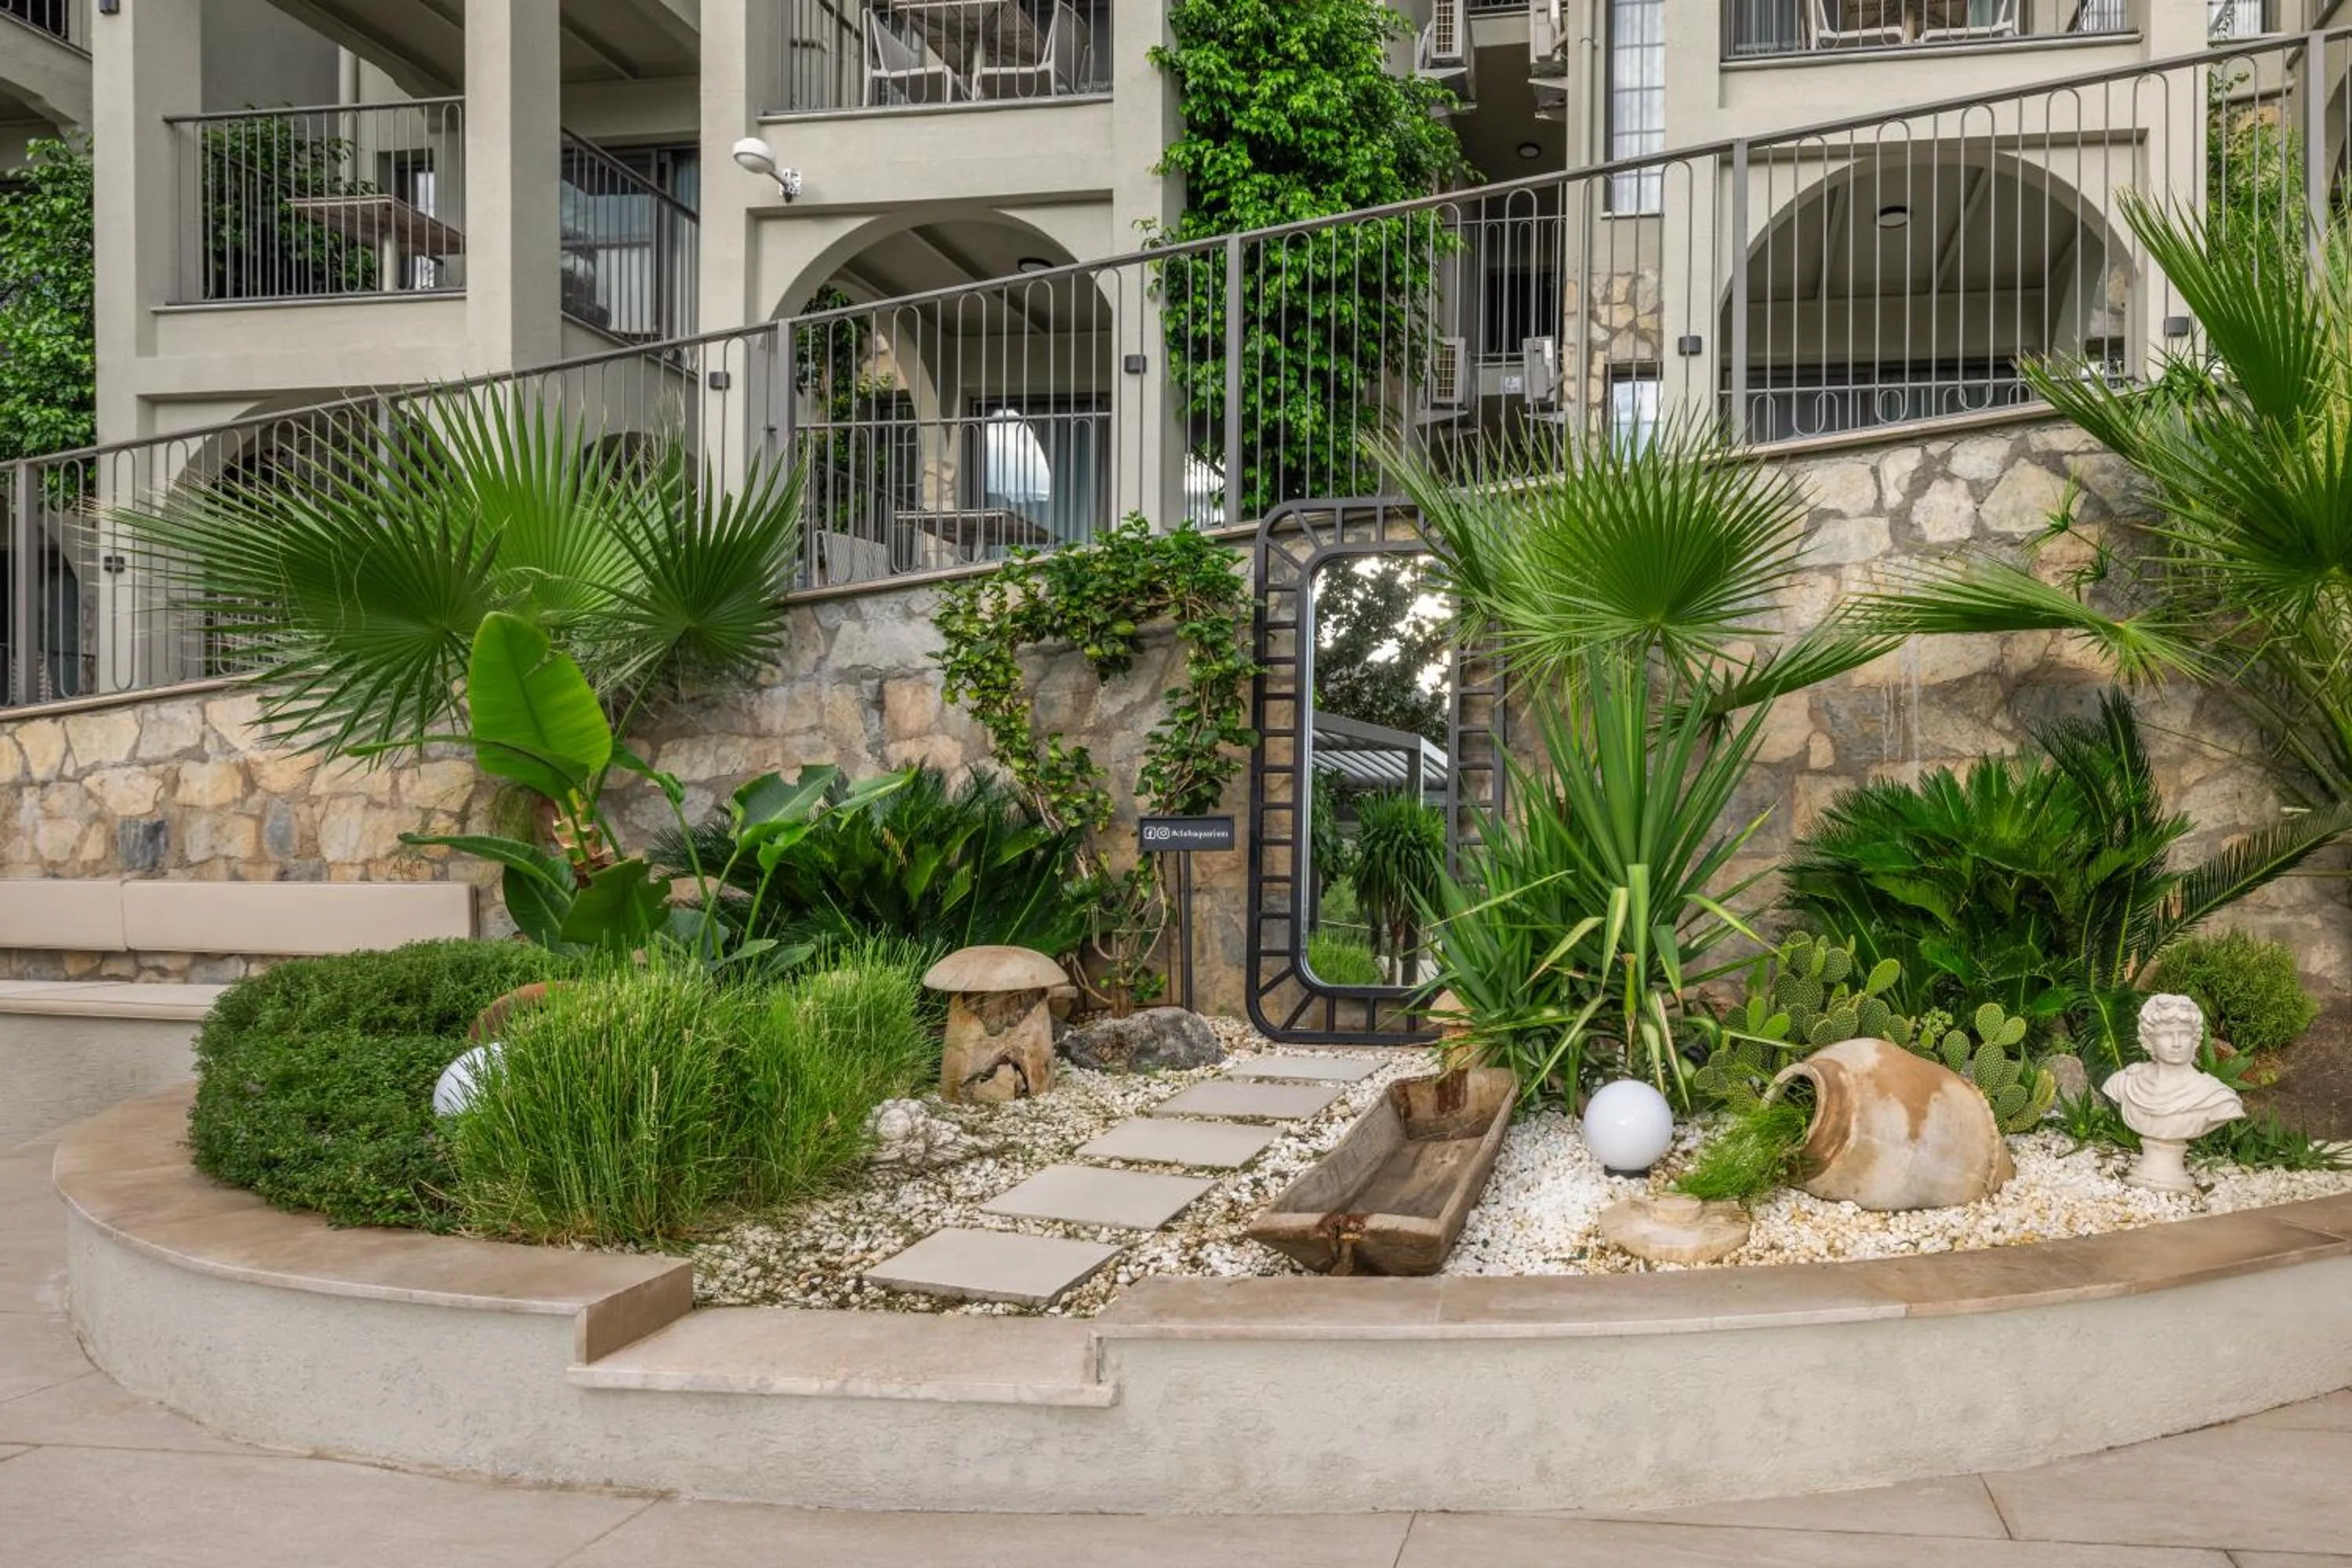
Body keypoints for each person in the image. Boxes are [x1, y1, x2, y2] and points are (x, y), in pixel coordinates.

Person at [2100, 993, 2243, 1192]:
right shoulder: (2125, 1082)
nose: (2176, 1043)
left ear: (2195, 1040)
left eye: (2184, 1034)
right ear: (2149, 1040)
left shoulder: (2217, 1097)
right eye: (2166, 1034)